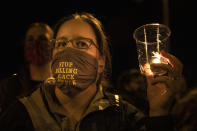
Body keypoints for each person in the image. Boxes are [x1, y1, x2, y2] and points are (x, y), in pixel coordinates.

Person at [0, 12, 185, 131]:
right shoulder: (20, 114)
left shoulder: (125, 118)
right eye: (62, 43)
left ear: (101, 62)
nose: (68, 51)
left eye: (81, 44)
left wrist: (159, 112)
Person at [0, 22, 54, 114]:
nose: (36, 44)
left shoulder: (63, 87)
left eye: (42, 39)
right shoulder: (7, 88)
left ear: (53, 45)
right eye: (30, 39)